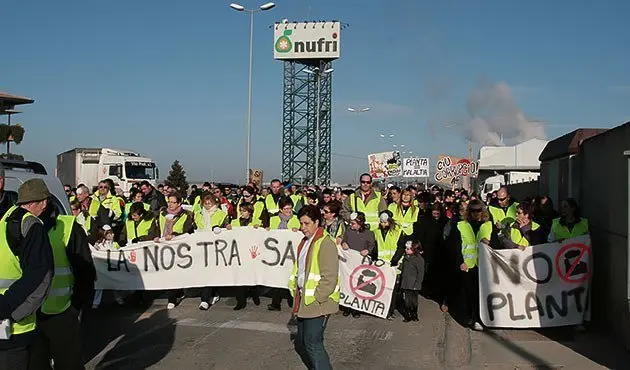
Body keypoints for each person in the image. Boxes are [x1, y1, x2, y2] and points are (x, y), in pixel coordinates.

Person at [33, 201, 96, 370]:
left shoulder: (68, 227)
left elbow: (86, 272)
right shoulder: (20, 225)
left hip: (62, 311)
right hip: (29, 315)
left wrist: (76, 306)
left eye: (27, 204)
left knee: (68, 363)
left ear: (42, 203)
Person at [0, 179, 54, 369]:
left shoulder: (17, 222)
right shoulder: (26, 223)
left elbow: (39, 274)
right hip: (12, 326)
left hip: (11, 330)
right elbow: (42, 274)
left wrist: (5, 308)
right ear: (44, 202)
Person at [288, 205, 340, 370]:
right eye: (301, 223)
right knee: (304, 340)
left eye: (307, 223)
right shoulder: (304, 242)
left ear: (317, 222)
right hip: (305, 301)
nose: (303, 228)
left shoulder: (325, 243)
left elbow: (329, 277)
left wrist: (318, 297)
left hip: (318, 303)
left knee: (313, 343)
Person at [446, 199, 492, 331]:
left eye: (478, 210)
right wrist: (461, 262)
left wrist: (489, 242)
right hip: (468, 265)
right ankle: (472, 318)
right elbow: (455, 246)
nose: (476, 213)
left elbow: (495, 244)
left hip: (484, 266)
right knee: (470, 293)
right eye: (472, 210)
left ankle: (480, 318)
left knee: (481, 293)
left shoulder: (488, 225)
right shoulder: (461, 225)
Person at [157, 193, 195, 310]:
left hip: (178, 247)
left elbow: (187, 230)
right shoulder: (163, 214)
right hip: (164, 246)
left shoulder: (185, 215)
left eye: (173, 202)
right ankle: (173, 295)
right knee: (168, 273)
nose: (171, 204)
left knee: (175, 272)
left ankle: (174, 297)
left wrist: (174, 235)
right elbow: (158, 228)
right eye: (169, 202)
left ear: (179, 203)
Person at [340, 212, 375, 318]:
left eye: (354, 223)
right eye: (351, 223)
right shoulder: (348, 231)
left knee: (357, 284)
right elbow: (344, 240)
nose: (352, 225)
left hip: (360, 263)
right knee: (347, 283)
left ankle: (356, 308)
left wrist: (367, 251)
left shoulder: (368, 233)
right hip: (349, 262)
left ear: (360, 223)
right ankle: (347, 306)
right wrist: (343, 243)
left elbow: (372, 245)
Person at [400, 240, 424, 322]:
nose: (406, 250)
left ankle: (414, 313)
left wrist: (417, 284)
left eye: (408, 249)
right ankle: (408, 315)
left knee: (414, 300)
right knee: (407, 300)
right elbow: (403, 269)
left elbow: (421, 273)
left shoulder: (418, 259)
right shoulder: (405, 258)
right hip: (406, 283)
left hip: (414, 284)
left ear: (414, 249)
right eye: (406, 248)